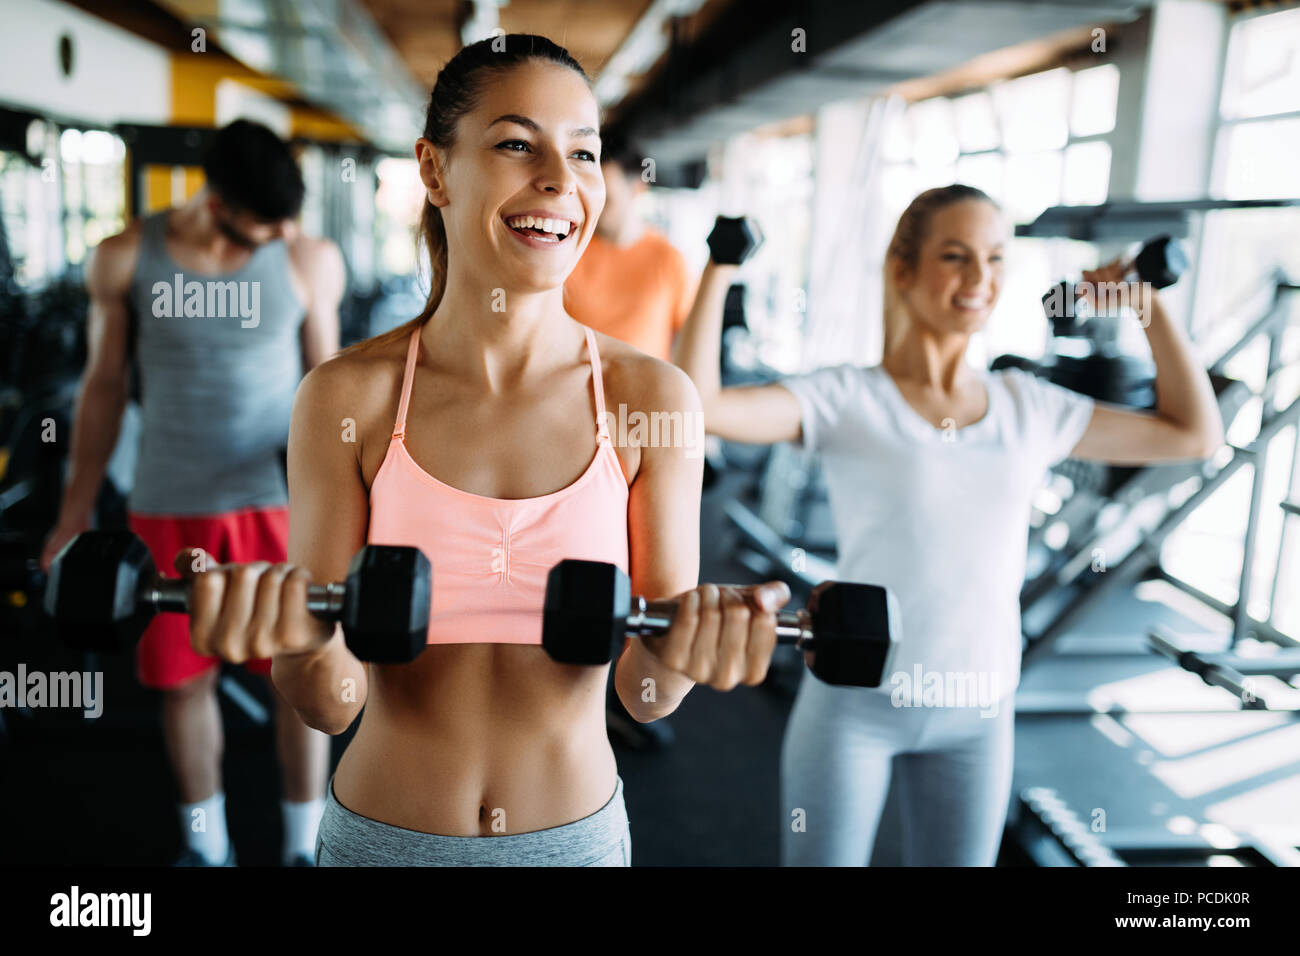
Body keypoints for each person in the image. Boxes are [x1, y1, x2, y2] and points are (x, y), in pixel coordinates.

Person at [177, 34, 790, 867]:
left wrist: (695, 646)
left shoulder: (652, 399)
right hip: (382, 837)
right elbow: (329, 703)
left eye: (583, 152)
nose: (560, 180)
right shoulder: (345, 398)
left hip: (573, 841)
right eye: (515, 143)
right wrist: (296, 635)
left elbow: (646, 697)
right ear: (434, 170)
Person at [673, 183, 1224, 866]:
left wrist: (1148, 303)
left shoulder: (1032, 406)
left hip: (980, 712)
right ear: (904, 270)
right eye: (956, 256)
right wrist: (718, 264)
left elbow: (1194, 435)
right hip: (855, 707)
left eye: (994, 259)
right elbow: (698, 405)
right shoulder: (848, 398)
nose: (979, 279)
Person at [41, 119, 345, 866]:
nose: (276, 238)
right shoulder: (125, 257)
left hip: (278, 504)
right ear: (214, 203)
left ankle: (305, 847)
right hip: (169, 504)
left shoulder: (305, 257)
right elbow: (105, 388)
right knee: (182, 687)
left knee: (295, 681)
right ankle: (207, 850)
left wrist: (352, 511)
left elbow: (331, 393)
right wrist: (74, 511)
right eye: (258, 229)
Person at [563, 130, 699, 751]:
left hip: (648, 438)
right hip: (568, 434)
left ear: (636, 184)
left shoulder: (668, 261)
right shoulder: (566, 253)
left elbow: (687, 355)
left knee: (645, 578)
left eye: (603, 181)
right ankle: (578, 698)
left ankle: (624, 692)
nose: (591, 197)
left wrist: (693, 435)